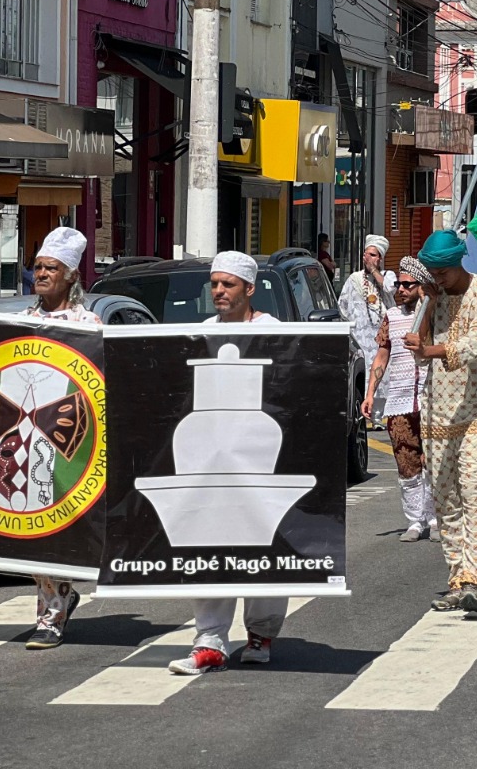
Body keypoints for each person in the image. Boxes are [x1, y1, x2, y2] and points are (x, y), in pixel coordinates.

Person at [169, 251, 288, 676]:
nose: (218, 292)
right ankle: (210, 639)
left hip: (258, 455)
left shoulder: (274, 332)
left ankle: (260, 633)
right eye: (214, 284)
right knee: (210, 543)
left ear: (249, 290)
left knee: (262, 545)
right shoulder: (200, 332)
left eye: (228, 285)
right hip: (208, 456)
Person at [410, 229, 477, 615]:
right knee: (444, 497)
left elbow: (472, 346)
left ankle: (476, 579)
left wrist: (430, 348)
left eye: (442, 272)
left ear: (459, 263)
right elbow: (418, 350)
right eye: (432, 272)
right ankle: (457, 578)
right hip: (437, 408)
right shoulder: (432, 296)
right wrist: (428, 306)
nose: (437, 278)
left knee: (471, 490)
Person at [20, 227, 102, 652]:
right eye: (38, 267)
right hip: (24, 441)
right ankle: (56, 597)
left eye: (51, 268)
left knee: (59, 528)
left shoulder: (89, 325)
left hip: (69, 442)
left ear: (70, 275)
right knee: (33, 530)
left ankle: (52, 613)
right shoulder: (20, 322)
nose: (42, 274)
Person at [365, 257, 437, 542]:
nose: (401, 289)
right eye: (398, 285)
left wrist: (426, 302)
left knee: (432, 460)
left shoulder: (433, 314)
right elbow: (381, 356)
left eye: (408, 285)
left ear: (420, 287)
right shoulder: (391, 317)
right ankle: (415, 521)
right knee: (406, 461)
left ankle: (434, 517)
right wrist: (370, 393)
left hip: (431, 399)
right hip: (399, 400)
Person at [341, 236, 395, 413]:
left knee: (382, 374)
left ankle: (380, 414)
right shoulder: (355, 279)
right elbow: (343, 306)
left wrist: (374, 271)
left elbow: (389, 288)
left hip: (381, 339)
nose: (368, 258)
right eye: (366, 254)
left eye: (373, 255)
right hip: (361, 339)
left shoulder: (388, 276)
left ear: (380, 258)